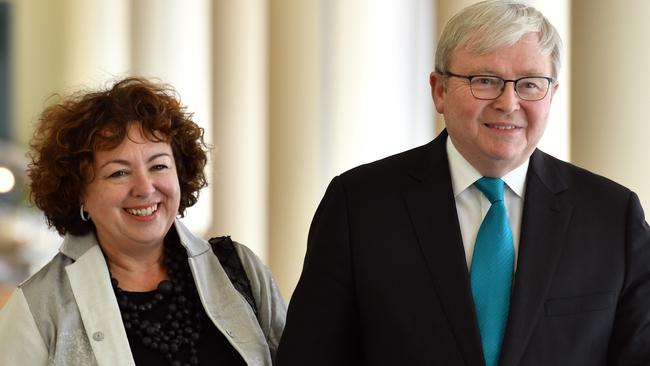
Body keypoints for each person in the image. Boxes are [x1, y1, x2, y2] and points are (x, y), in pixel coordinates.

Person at [276, 1, 650, 365]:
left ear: (552, 93)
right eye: (485, 81)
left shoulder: (612, 216)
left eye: (530, 85)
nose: (508, 102)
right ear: (439, 90)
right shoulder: (359, 206)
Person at [0, 77, 286, 365]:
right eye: (118, 173)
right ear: (79, 193)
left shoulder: (240, 271)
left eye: (159, 165)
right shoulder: (38, 307)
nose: (145, 187)